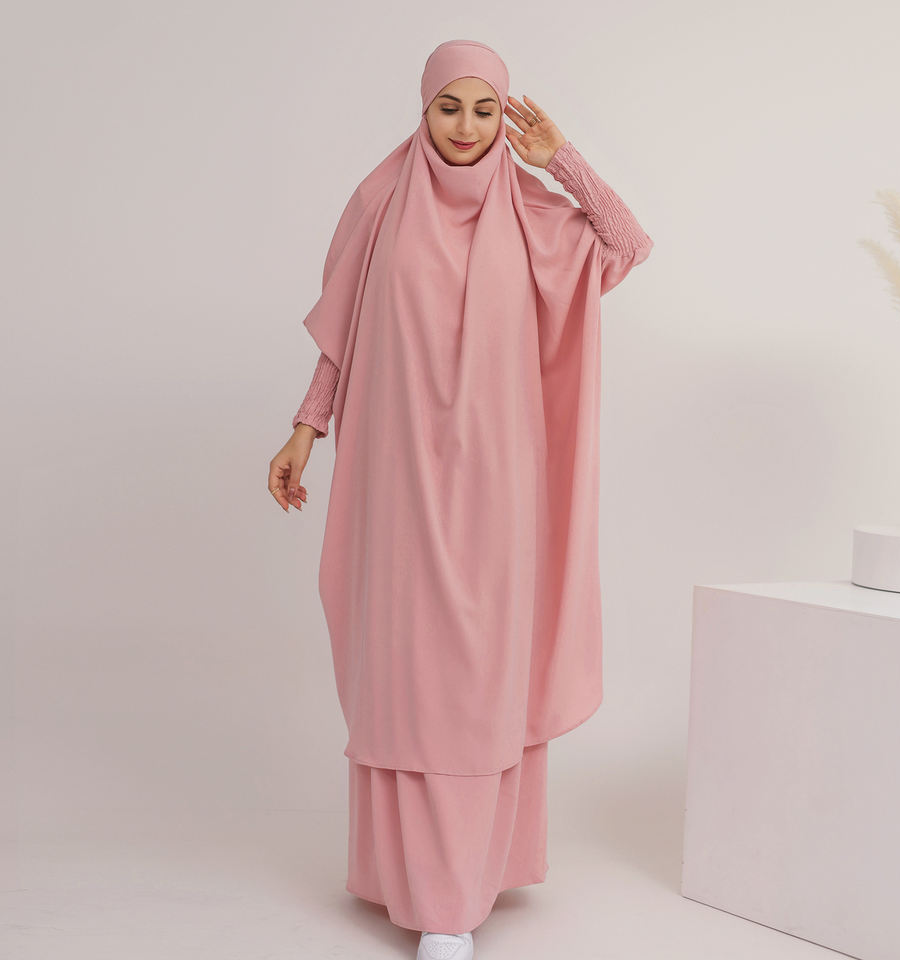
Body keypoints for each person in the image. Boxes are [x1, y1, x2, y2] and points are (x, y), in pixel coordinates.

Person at [267, 39, 653, 960]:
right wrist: (306, 427)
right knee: (409, 673)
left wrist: (560, 158)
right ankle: (415, 880)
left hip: (499, 490)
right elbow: (343, 332)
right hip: (398, 482)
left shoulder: (533, 214)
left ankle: (462, 887)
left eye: (486, 109)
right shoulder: (379, 202)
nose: (467, 127)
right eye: (450, 107)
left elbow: (627, 244)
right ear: (423, 108)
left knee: (478, 676)